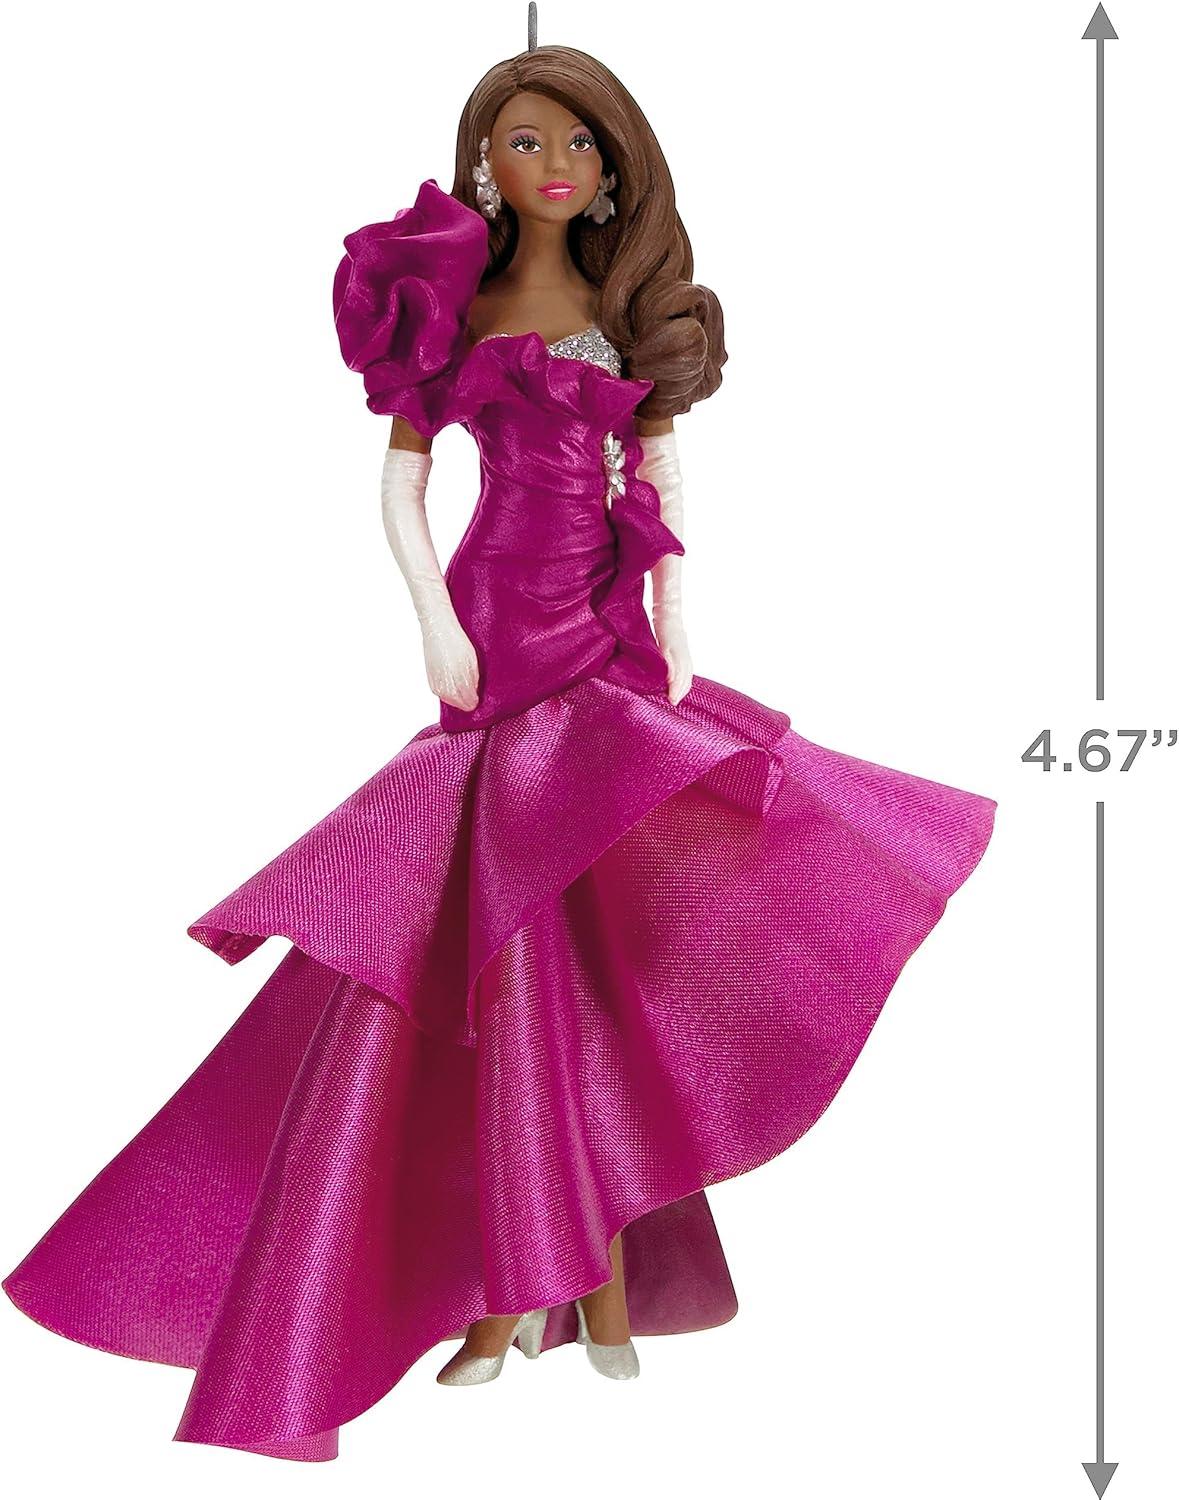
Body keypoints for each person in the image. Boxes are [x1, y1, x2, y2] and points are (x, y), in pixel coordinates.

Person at [2, 34, 997, 1464]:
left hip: (601, 632)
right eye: (527, 142)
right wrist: (432, 623)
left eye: (579, 145)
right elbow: (399, 486)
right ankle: (517, 1290)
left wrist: (675, 617)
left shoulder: (619, 306)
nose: (555, 165)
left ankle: (575, 1281)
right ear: (486, 160)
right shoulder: (452, 306)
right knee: (492, 933)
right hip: (493, 628)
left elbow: (659, 469)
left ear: (612, 170)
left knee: (597, 939)